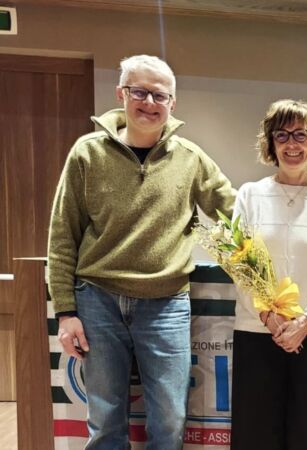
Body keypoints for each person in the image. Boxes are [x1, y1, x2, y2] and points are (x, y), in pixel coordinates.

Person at [48, 54, 236, 448]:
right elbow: (63, 234)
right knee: (104, 419)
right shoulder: (86, 153)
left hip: (166, 304)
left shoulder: (190, 158)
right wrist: (65, 311)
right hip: (97, 302)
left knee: (170, 419)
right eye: (139, 92)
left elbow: (235, 212)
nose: (149, 102)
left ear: (172, 103)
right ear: (121, 94)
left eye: (159, 95)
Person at [230, 99, 307, 450]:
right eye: (281, 135)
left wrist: (306, 321)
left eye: (301, 134)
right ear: (270, 143)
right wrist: (269, 316)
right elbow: (240, 264)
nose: (291, 144)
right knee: (255, 438)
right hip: (258, 333)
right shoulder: (249, 195)